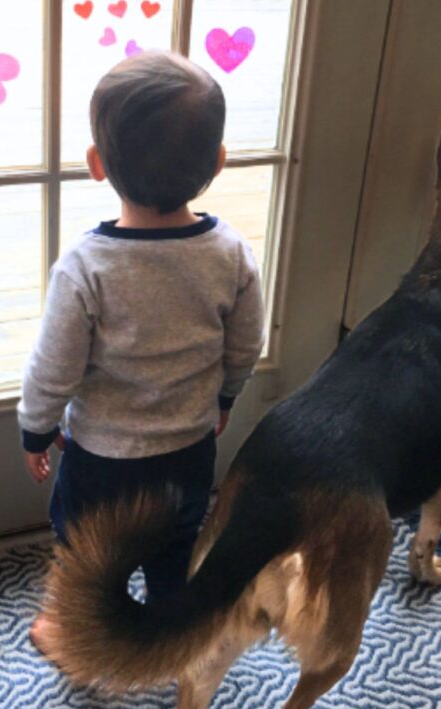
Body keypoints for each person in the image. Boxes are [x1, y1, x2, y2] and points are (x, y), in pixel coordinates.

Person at [17, 51, 265, 632]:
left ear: (96, 165)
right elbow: (245, 345)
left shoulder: (86, 267)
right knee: (174, 551)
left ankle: (73, 631)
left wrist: (37, 427)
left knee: (84, 551)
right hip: (187, 451)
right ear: (218, 162)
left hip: (101, 460)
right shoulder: (230, 254)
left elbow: (53, 367)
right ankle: (166, 632)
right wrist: (225, 399)